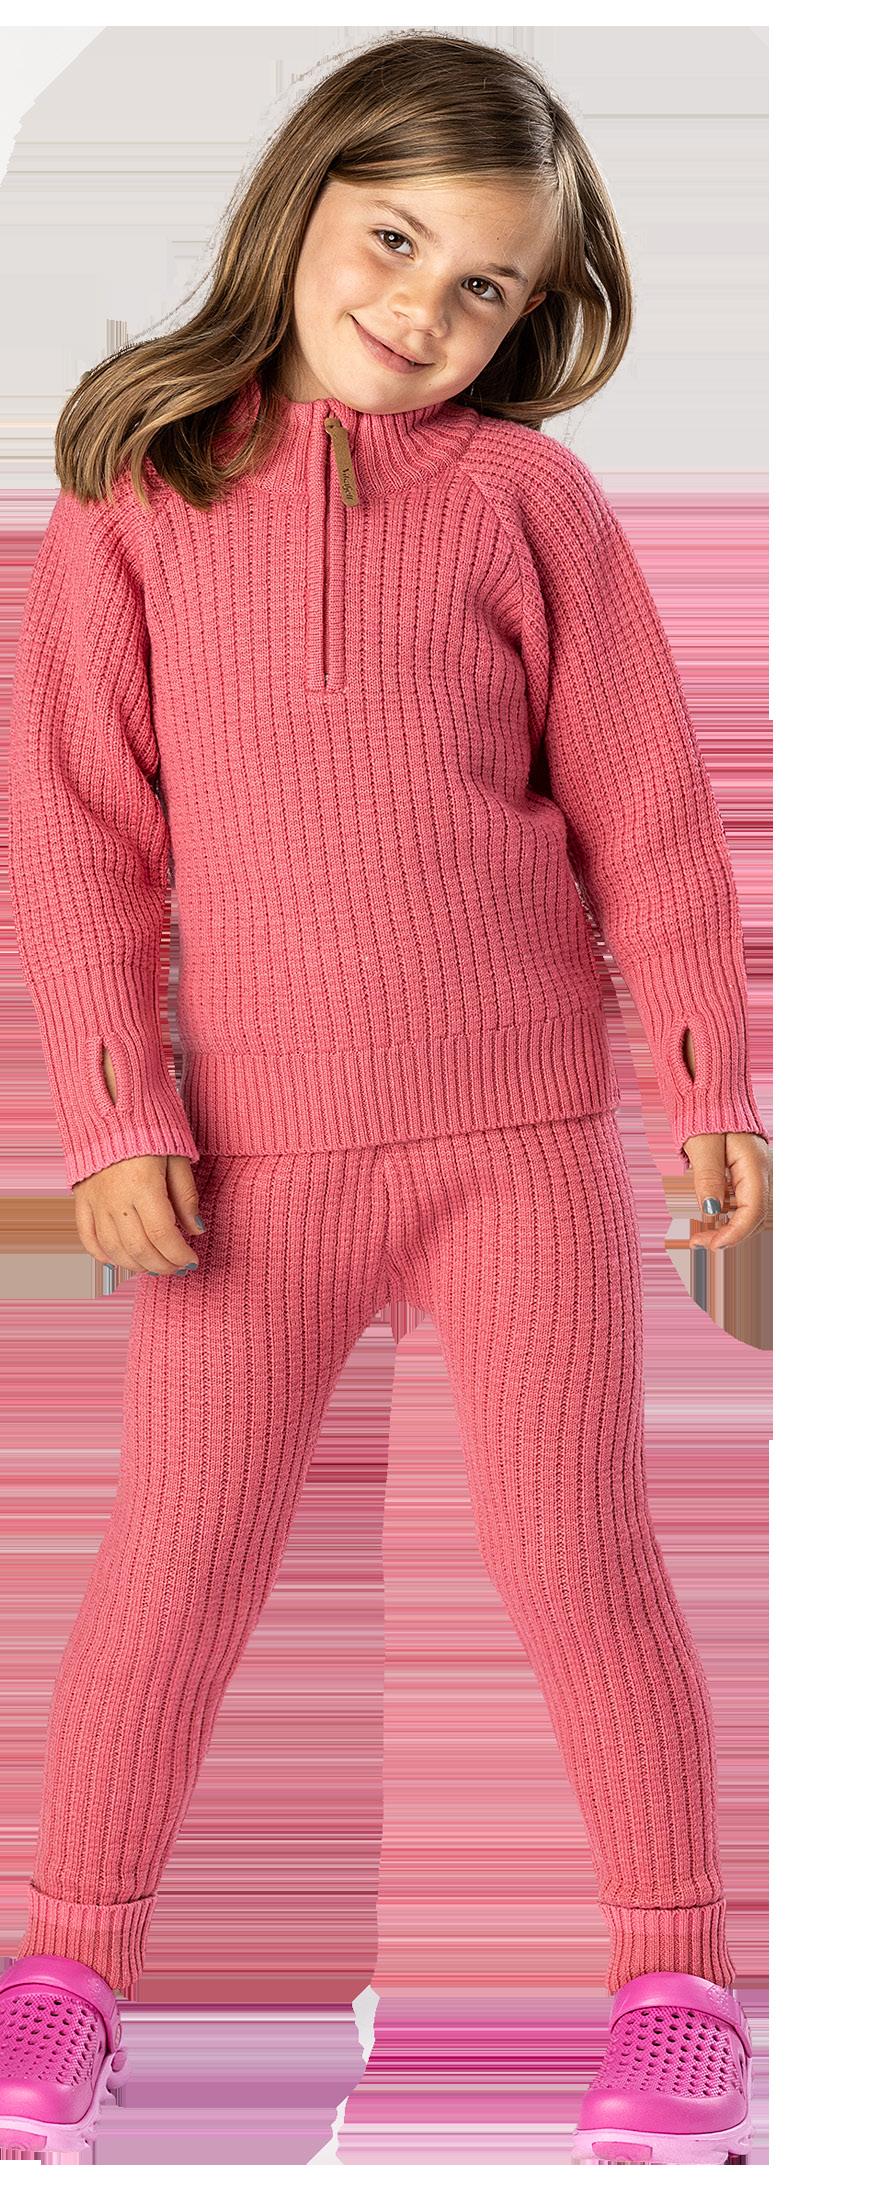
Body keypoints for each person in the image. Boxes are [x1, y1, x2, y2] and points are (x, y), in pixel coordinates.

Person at [2, 29, 768, 2166]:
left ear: (534, 314)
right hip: (246, 1166)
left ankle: (677, 1988)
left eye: (483, 286)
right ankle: (65, 1972)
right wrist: (115, 1118)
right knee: (169, 1569)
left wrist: (706, 1077)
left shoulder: (531, 504)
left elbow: (646, 811)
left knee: (581, 1556)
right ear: (303, 201)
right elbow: (74, 841)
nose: (423, 309)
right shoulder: (138, 489)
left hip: (520, 1147)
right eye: (396, 241)